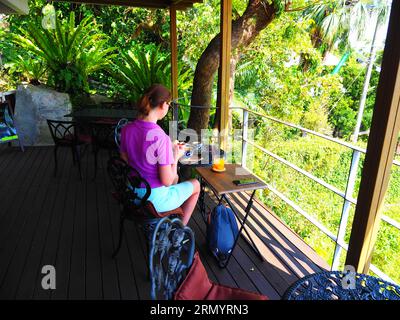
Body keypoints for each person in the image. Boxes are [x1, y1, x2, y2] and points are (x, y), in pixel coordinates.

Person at [119, 84, 200, 225]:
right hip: (152, 200)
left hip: (131, 193)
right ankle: (180, 230)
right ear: (163, 105)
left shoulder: (127, 129)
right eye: (169, 104)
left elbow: (124, 159)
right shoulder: (161, 138)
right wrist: (174, 157)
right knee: (196, 184)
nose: (168, 107)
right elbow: (169, 182)